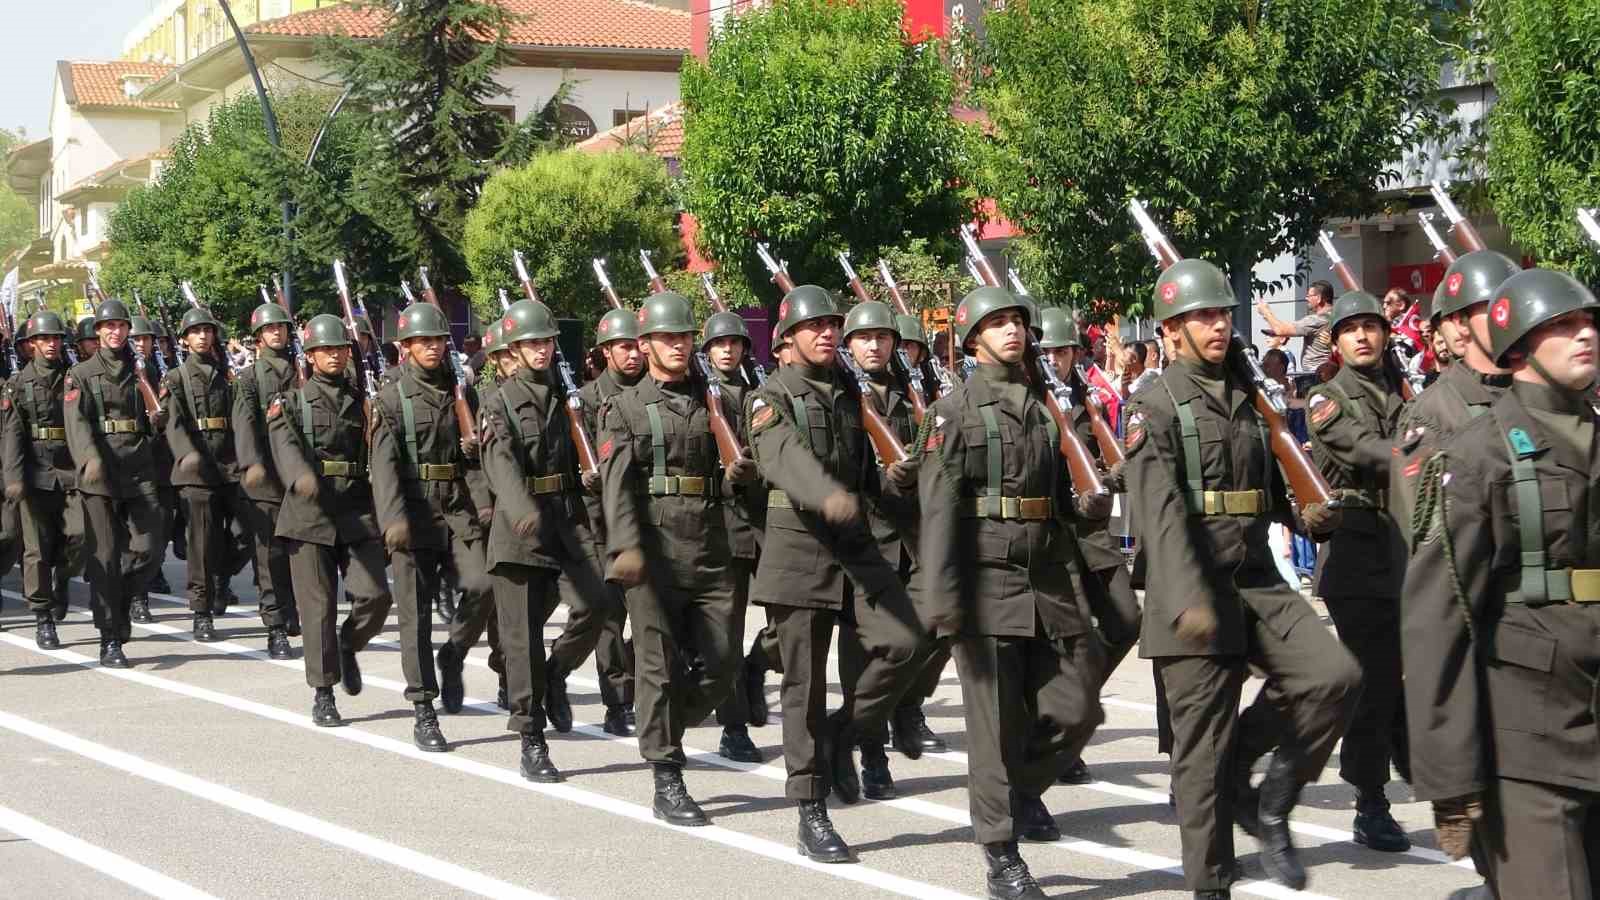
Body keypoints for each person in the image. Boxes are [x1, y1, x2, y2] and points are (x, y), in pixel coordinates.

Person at [1126, 259, 1358, 896]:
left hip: (1256, 579)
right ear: (1171, 330)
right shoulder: (1153, 404)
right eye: (1202, 316)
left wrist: (1307, 511)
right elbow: (1161, 511)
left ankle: (1264, 795)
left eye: (1223, 314)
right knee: (1199, 757)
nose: (1218, 325)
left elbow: (1267, 484)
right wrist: (1187, 595)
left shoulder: (1250, 398)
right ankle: (1211, 885)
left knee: (1333, 676)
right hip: (1192, 590)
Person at [1404, 267, 1600, 900]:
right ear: (1517, 342)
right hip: (1528, 734)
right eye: (1563, 325)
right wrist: (1449, 777)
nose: (1586, 335)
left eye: (1589, 322)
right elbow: (1437, 620)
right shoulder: (1475, 455)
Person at [919, 288, 1106, 900]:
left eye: (1017, 323)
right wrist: (944, 598)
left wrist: (1088, 506)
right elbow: (939, 509)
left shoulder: (1043, 405)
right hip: (986, 580)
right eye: (997, 324)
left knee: (1078, 706)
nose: (1012, 332)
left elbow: (1058, 500)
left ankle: (1021, 791)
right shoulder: (954, 411)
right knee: (992, 726)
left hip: (1046, 577)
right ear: (972, 339)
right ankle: (1001, 852)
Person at [745, 284, 926, 862]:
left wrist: (898, 478)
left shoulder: (848, 396)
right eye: (813, 326)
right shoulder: (770, 395)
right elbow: (784, 459)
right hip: (800, 551)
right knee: (804, 686)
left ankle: (844, 736)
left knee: (906, 640)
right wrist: (826, 494)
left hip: (856, 547)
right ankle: (810, 810)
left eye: (831, 325)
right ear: (786, 341)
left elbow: (865, 475)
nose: (826, 333)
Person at [598, 291, 750, 824]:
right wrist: (627, 548)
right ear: (644, 345)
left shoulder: (719, 402)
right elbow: (615, 487)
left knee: (725, 660)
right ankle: (667, 772)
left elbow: (738, 472)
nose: (679, 345)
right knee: (658, 667)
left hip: (711, 544)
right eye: (667, 337)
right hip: (655, 550)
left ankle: (664, 727)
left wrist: (740, 480)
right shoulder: (624, 406)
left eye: (685, 336)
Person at [478, 297, 615, 782]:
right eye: (532, 342)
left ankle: (556, 674)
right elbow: (499, 463)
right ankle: (530, 736)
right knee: (521, 640)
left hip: (568, 518)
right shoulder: (498, 402)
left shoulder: (567, 394)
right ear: (514, 350)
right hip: (522, 530)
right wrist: (518, 510)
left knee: (597, 602)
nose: (541, 349)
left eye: (547, 341)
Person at [1302, 291, 1412, 852]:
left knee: (1408, 675)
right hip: (1355, 556)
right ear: (1336, 341)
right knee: (1373, 681)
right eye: (1352, 329)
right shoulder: (1326, 397)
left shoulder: (1399, 392)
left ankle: (1417, 764)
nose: (1364, 336)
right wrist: (1419, 450)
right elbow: (1364, 451)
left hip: (1404, 554)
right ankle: (1370, 800)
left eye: (1373, 327)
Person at [370, 302, 492, 752]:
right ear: (405, 347)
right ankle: (423, 708)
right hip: (414, 512)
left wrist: (483, 506)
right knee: (415, 617)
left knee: (483, 585)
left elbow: (475, 460)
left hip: (457, 508)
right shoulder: (390, 397)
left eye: (438, 340)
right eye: (423, 341)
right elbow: (382, 466)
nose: (432, 347)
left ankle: (454, 652)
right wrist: (393, 520)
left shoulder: (462, 391)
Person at [266, 314, 395, 727]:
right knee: (318, 607)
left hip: (356, 510)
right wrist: (301, 477)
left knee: (376, 596)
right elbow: (284, 446)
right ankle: (323, 692)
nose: (335, 356)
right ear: (311, 356)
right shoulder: (291, 402)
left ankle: (348, 643)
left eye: (340, 349)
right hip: (309, 514)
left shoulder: (363, 399)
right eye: (326, 350)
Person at [1035, 307, 1141, 786]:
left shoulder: (1090, 402)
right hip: (1055, 537)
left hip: (1092, 535)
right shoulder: (1031, 402)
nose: (1055, 359)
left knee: (1126, 621)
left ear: (1076, 353)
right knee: (1073, 642)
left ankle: (1074, 699)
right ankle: (1062, 733)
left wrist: (1113, 475)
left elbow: (1108, 464)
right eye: (1049, 351)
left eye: (1063, 351)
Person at [833, 299, 933, 800]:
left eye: (883, 337)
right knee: (863, 657)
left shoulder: (912, 394)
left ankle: (906, 707)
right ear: (848, 345)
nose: (874, 345)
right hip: (862, 543)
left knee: (926, 635)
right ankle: (865, 749)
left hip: (911, 542)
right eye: (864, 338)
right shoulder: (838, 397)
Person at [63, 298, 167, 668]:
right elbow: (76, 422)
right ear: (98, 332)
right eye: (108, 327)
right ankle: (110, 638)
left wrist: (160, 420)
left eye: (121, 326)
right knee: (105, 557)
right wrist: (89, 459)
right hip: (100, 475)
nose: (115, 332)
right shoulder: (81, 374)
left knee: (151, 548)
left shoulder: (142, 372)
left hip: (139, 470)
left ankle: (120, 598)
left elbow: (156, 418)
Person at [700, 309, 773, 764]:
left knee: (789, 622)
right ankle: (733, 726)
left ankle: (756, 667)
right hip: (721, 528)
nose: (728, 350)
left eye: (735, 343)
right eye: (718, 344)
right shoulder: (697, 398)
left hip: (764, 522)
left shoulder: (760, 395)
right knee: (725, 633)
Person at [569, 306, 643, 737]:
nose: (632, 355)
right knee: (611, 618)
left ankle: (641, 683)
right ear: (605, 352)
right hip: (601, 521)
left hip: (650, 521)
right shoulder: (587, 399)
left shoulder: (656, 391)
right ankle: (617, 702)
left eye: (637, 346)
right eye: (622, 347)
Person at [163, 306, 252, 645]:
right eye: (195, 331)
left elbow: (240, 418)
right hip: (196, 471)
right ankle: (201, 612)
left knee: (246, 532)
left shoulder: (228, 375)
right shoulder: (175, 378)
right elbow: (174, 423)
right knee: (200, 543)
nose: (203, 336)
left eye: (207, 330)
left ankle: (220, 576)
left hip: (229, 466)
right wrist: (188, 455)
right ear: (185, 340)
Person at [436, 321, 511, 713]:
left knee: (517, 598)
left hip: (525, 511)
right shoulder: (473, 396)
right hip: (478, 509)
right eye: (509, 354)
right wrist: (483, 501)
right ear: (495, 359)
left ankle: (508, 671)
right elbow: (461, 461)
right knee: (485, 588)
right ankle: (455, 650)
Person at [3, 311, 82, 649]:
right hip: (35, 473)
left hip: (70, 470)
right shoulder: (17, 385)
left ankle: (63, 578)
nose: (52, 344)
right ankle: (43, 616)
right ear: (31, 344)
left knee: (80, 535)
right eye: (45, 339)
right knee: (35, 551)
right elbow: (13, 435)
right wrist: (14, 478)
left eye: (56, 339)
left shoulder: (73, 378)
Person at [233, 301, 302, 646]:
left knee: (300, 551)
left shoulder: (302, 372)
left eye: (281, 327)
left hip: (301, 477)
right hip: (268, 478)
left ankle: (293, 609)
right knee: (270, 555)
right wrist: (252, 464)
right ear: (259, 337)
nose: (277, 333)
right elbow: (244, 423)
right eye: (270, 329)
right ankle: (275, 623)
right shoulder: (248, 379)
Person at [1257, 280, 1336, 372]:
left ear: (1318, 298)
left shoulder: (1316, 320)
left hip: (1316, 374)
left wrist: (1265, 311)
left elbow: (1281, 330)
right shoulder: (1335, 316)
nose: (1306, 298)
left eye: (1309, 296)